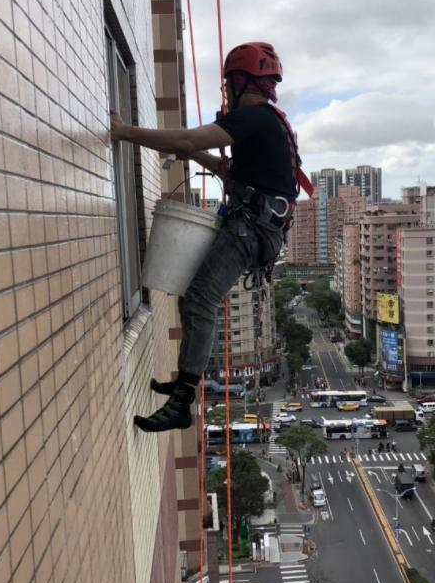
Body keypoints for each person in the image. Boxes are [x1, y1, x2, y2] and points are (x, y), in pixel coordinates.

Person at [110, 43, 310, 432]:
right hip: (257, 228)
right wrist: (196, 157)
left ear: (238, 82)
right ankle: (187, 379)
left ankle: (183, 401)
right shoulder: (269, 124)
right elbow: (223, 168)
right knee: (193, 296)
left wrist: (125, 132)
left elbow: (187, 141)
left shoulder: (255, 118)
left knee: (201, 298)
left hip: (249, 229)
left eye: (228, 83)